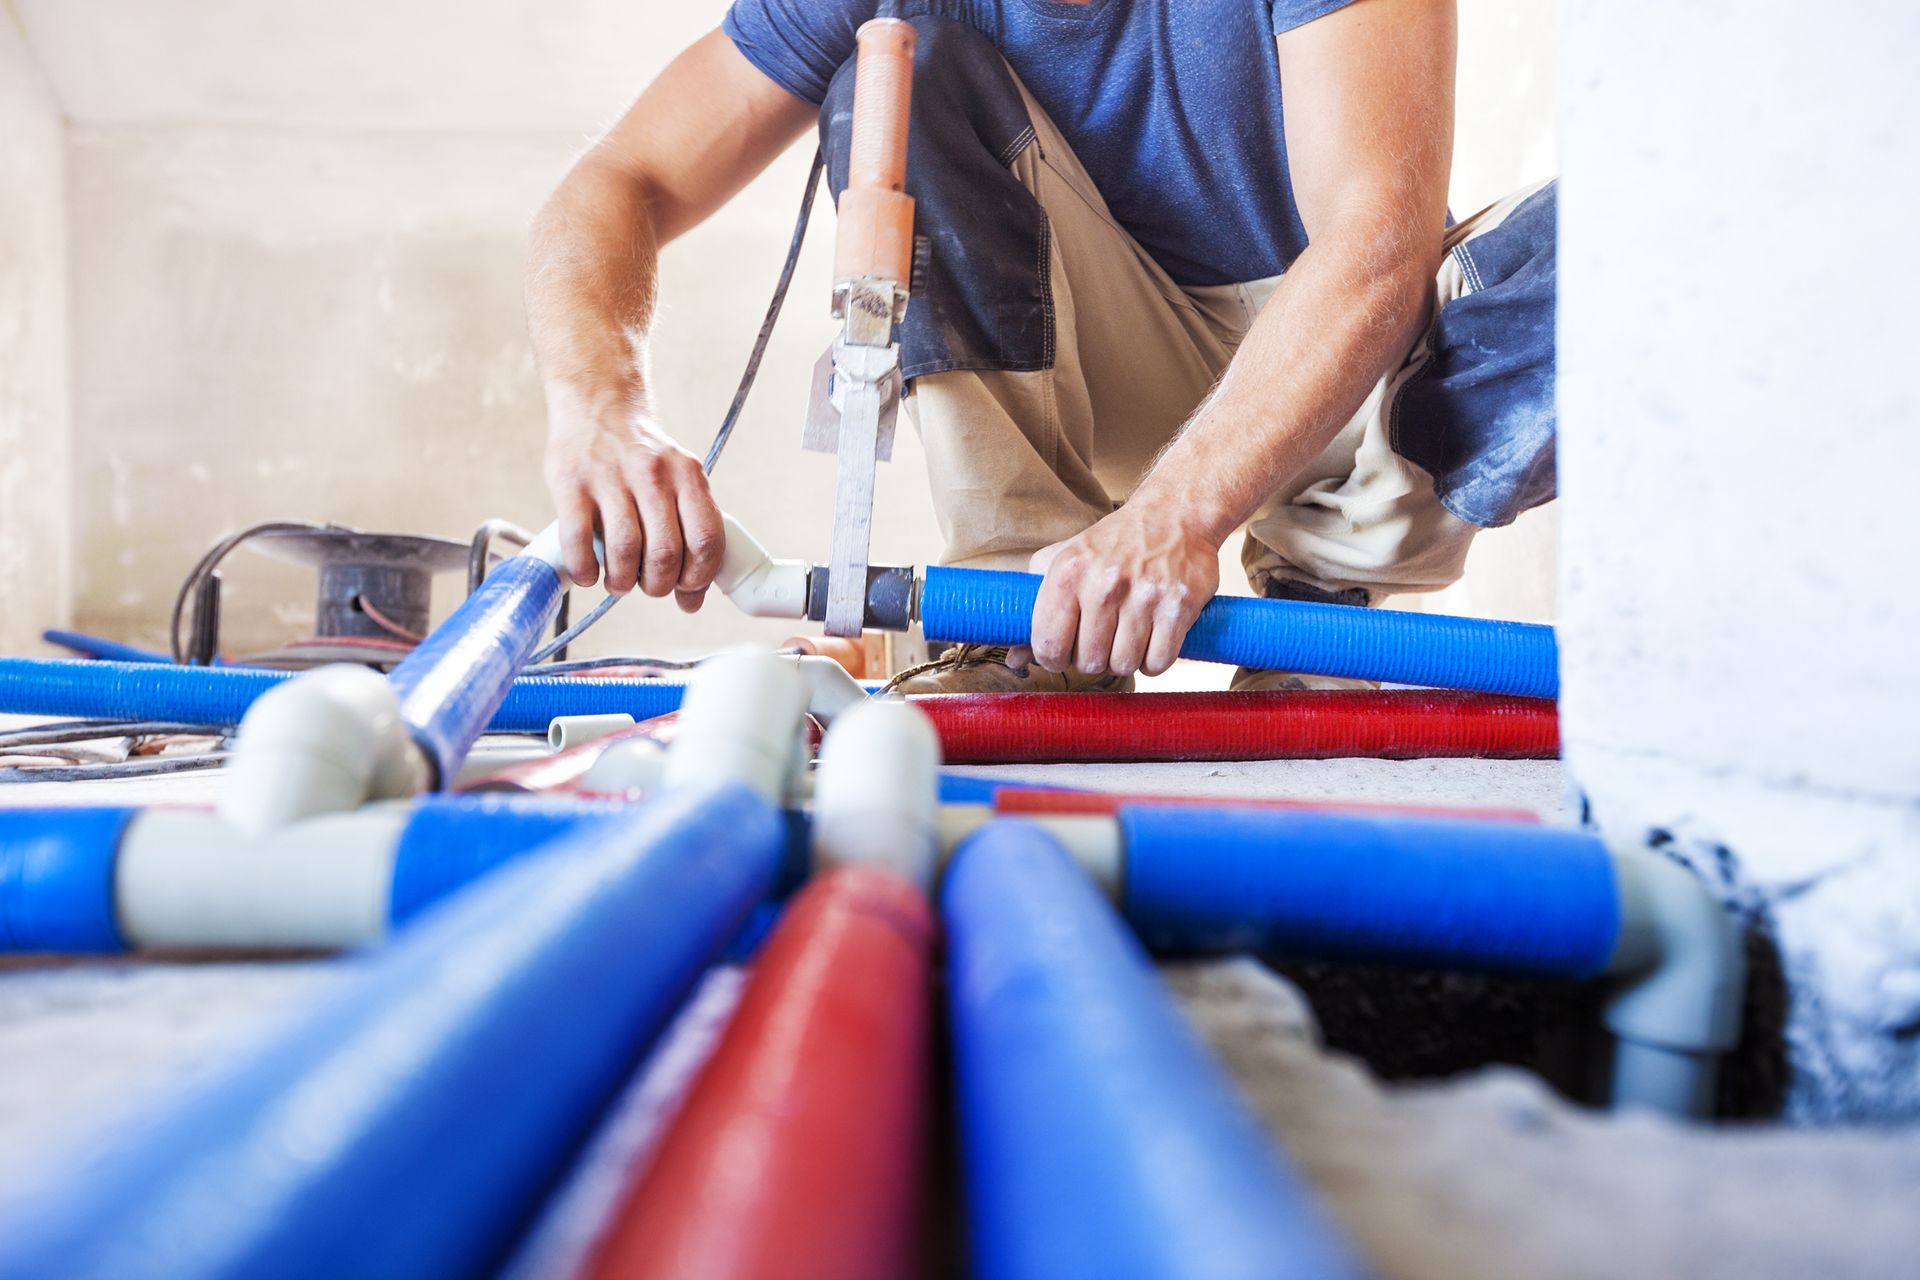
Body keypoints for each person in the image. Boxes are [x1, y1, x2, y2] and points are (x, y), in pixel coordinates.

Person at [525, 0, 1556, 693]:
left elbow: (1379, 237)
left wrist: (1180, 513)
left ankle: (1333, 608)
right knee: (900, 64)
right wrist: (602, 411)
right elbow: (626, 180)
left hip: (1353, 390)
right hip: (1105, 369)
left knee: (1617, 245)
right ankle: (1024, 618)